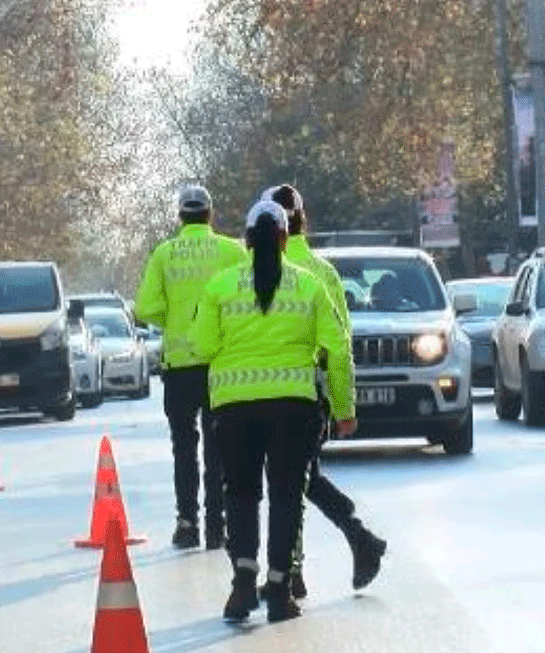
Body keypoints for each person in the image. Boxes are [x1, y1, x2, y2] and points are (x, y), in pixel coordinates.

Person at [189, 200, 356, 623]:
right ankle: (280, 591)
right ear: (285, 238)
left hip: (233, 411)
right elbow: (337, 349)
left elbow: (204, 347)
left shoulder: (220, 287)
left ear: (246, 241)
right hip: (293, 409)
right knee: (285, 496)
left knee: (241, 494)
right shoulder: (308, 286)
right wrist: (343, 408)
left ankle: (243, 583)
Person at [264, 184, 386, 598]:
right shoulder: (324, 272)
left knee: (292, 481)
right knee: (298, 479)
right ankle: (322, 555)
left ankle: (300, 566)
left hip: (271, 392)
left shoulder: (255, 269)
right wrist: (342, 404)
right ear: (301, 220)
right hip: (310, 391)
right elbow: (341, 345)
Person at [134, 185, 248, 550]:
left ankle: (187, 524)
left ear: (180, 216)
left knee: (183, 447)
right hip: (220, 364)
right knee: (219, 449)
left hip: (180, 366)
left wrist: (177, 322)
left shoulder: (165, 254)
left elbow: (145, 308)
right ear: (210, 215)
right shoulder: (232, 251)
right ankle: (217, 526)